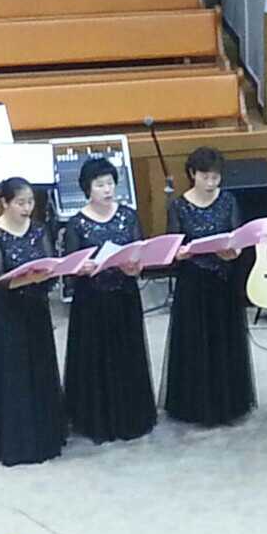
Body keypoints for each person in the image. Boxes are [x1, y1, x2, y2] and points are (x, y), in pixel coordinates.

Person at [63, 158, 156, 443]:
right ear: (87, 189)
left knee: (127, 354)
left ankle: (131, 414)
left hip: (124, 296)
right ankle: (96, 418)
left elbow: (139, 255)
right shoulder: (76, 224)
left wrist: (134, 267)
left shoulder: (128, 216)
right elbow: (70, 268)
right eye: (100, 185)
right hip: (91, 301)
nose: (107, 189)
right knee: (95, 357)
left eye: (110, 183)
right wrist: (83, 269)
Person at [163, 147, 255, 426]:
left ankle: (229, 402)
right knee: (195, 342)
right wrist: (181, 253)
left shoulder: (228, 201)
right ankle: (194, 404)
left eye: (215, 177)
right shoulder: (179, 206)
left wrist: (233, 253)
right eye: (205, 177)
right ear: (193, 174)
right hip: (193, 284)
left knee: (225, 341)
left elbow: (237, 239)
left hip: (223, 282)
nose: (211, 183)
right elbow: (172, 246)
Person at [0, 177, 65, 466]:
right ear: (5, 202)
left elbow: (50, 265)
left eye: (30, 202)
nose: (27, 208)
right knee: (13, 372)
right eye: (20, 203)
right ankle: (16, 441)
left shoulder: (38, 229)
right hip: (5, 313)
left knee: (38, 366)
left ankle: (45, 433)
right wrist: (28, 278)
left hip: (35, 309)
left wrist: (47, 275)